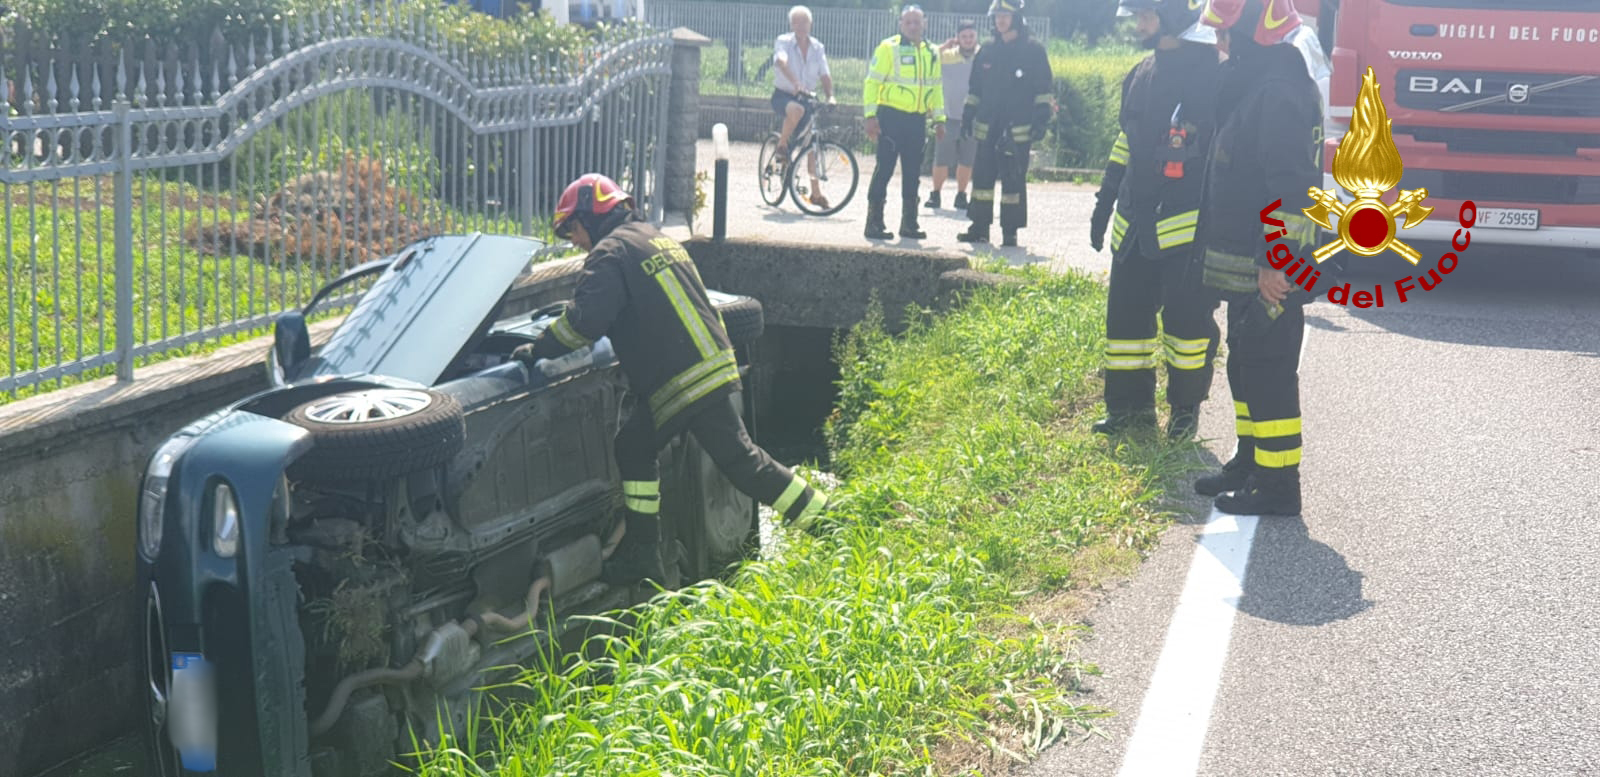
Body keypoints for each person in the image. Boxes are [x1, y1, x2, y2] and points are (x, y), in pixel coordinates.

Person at [514, 174, 831, 582]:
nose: (574, 240)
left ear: (592, 217)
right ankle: (643, 554)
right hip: (709, 366)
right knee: (634, 445)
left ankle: (829, 520)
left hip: (685, 382)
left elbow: (586, 322)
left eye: (572, 228)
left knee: (743, 464)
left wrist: (539, 349)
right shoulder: (656, 238)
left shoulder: (609, 254)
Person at [1190, 0, 1324, 517]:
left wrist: (1278, 261)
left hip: (1270, 268)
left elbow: (1288, 190)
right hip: (1250, 262)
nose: (1221, 45)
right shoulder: (1260, 85)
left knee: (1267, 370)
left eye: (1227, 35)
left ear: (1253, 35)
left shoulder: (1277, 93)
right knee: (1245, 365)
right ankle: (1251, 462)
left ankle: (1277, 487)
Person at [1087, 0, 1222, 441]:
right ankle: (1129, 410)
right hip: (1133, 222)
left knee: (1187, 324)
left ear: (1172, 16)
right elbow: (1125, 143)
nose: (1140, 24)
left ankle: (1185, 411)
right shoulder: (1141, 72)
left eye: (1146, 15)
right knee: (1125, 322)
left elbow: (1220, 155)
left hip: (1186, 225)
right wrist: (1104, 202)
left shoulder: (1210, 74)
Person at [956, 0, 1053, 249]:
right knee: (982, 180)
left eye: (1005, 16)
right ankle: (979, 227)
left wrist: (1041, 119)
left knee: (1013, 181)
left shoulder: (1033, 50)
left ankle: (1010, 232)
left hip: (1018, 128)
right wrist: (968, 114)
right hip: (988, 126)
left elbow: (1043, 89)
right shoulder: (986, 50)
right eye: (997, 15)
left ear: (1017, 18)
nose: (1000, 20)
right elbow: (975, 88)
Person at [862, 5, 945, 241]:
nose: (912, 26)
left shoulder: (932, 52)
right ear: (900, 24)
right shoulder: (889, 48)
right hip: (890, 118)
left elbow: (937, 88)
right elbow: (872, 82)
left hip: (916, 120)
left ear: (924, 23)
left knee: (912, 173)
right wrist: (870, 115)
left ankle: (909, 223)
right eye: (908, 22)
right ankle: (874, 222)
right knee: (885, 169)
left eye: (916, 22)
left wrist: (939, 119)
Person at [771, 5, 837, 209]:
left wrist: (831, 96)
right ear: (791, 24)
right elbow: (781, 61)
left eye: (804, 22)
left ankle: (816, 193)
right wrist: (795, 84)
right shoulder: (784, 41)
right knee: (796, 111)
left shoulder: (818, 47)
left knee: (812, 147)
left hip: (807, 97)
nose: (800, 26)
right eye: (796, 22)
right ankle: (782, 145)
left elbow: (824, 74)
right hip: (784, 95)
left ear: (811, 24)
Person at [925, 20, 981, 211]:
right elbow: (927, 57)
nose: (967, 40)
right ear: (957, 38)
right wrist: (943, 47)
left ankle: (961, 195)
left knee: (967, 159)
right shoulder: (947, 56)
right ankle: (936, 194)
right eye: (964, 37)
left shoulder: (982, 56)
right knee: (941, 158)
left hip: (972, 118)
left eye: (971, 36)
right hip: (948, 115)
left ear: (976, 37)